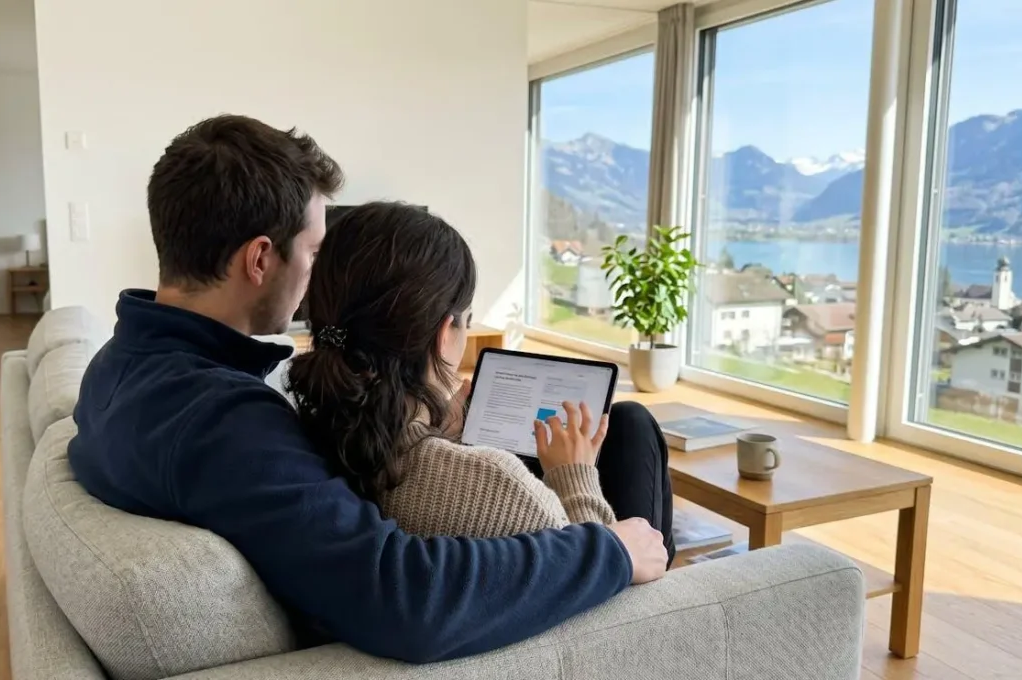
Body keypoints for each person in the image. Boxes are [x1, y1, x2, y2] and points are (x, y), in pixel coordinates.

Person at [66, 114, 669, 664]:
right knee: (633, 440)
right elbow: (402, 597)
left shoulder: (120, 364)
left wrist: (424, 420)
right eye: (315, 250)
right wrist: (608, 551)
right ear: (259, 260)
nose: (315, 273)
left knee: (629, 429)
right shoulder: (224, 422)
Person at [285, 203, 674, 560]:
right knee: (633, 425)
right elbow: (603, 577)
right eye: (466, 321)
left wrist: (434, 430)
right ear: (443, 333)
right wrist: (573, 475)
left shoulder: (305, 431)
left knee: (626, 422)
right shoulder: (499, 484)